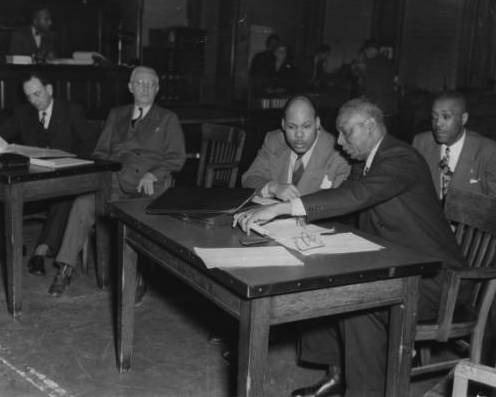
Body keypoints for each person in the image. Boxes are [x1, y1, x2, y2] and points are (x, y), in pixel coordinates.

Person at [234, 98, 469, 397]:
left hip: (438, 280)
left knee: (357, 301)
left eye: (346, 132)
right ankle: (340, 376)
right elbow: (347, 198)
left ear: (370, 126)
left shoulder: (400, 157)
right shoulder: (368, 161)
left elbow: (358, 195)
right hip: (396, 260)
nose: (340, 141)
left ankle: (362, 389)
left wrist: (283, 209)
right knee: (322, 281)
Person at [48, 66, 186, 297]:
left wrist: (155, 174)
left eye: (150, 84)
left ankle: (138, 276)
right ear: (130, 87)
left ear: (157, 89)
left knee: (141, 220)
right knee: (82, 204)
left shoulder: (168, 119)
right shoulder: (116, 114)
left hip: (148, 187)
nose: (145, 88)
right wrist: (106, 174)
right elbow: (100, 152)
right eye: (140, 83)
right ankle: (65, 269)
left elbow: (177, 158)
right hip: (113, 184)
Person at [0, 73, 93, 277]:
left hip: (66, 176)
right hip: (34, 181)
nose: (34, 101)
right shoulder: (24, 113)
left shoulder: (71, 111)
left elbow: (88, 143)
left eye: (38, 94)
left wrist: (72, 160)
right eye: (29, 96)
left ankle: (40, 252)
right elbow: (2, 133)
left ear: (49, 90)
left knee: (65, 196)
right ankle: (9, 246)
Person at [242, 95, 351, 200]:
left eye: (306, 126)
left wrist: (291, 208)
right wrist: (273, 187)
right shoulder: (274, 141)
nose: (299, 135)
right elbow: (249, 179)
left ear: (317, 123)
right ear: (283, 124)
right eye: (291, 127)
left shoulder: (339, 152)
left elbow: (338, 203)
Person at [412, 91, 496, 199]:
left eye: (446, 117)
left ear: (463, 119)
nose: (438, 124)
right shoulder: (421, 143)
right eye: (434, 117)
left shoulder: (488, 151)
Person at [352, 39, 397, 120]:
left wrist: (359, 57)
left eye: (366, 51)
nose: (366, 54)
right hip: (387, 103)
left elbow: (356, 67)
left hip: (376, 103)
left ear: (371, 49)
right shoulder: (387, 61)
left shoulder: (372, 61)